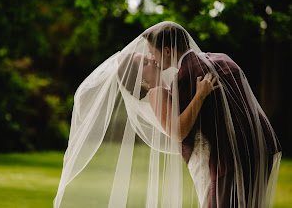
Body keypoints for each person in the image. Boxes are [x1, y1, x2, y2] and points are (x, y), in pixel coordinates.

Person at [54, 21, 281, 208]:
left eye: (149, 55)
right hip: (219, 157)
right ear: (140, 80)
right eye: (144, 61)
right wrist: (200, 96)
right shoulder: (156, 93)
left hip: (224, 155)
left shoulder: (177, 83)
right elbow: (177, 132)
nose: (150, 58)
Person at [142, 21, 282, 207]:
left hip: (229, 158)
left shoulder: (185, 78)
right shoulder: (223, 59)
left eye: (153, 53)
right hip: (262, 145)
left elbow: (181, 133)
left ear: (167, 51)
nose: (153, 58)